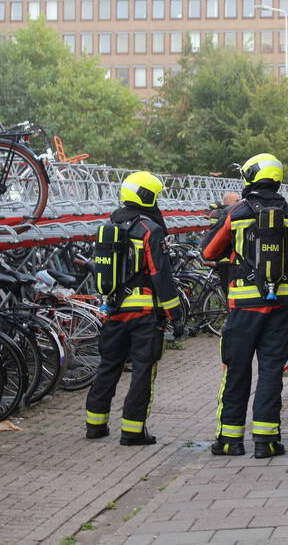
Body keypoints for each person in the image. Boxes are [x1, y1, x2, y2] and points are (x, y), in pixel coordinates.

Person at [201, 154, 288, 458]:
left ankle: (229, 440)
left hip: (244, 305)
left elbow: (208, 251)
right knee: (271, 371)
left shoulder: (237, 213)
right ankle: (266, 441)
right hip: (281, 305)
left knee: (236, 370)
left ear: (250, 179)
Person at [85, 171, 183, 446]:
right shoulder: (149, 229)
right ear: (147, 196)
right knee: (142, 370)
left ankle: (95, 424)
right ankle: (133, 430)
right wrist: (175, 314)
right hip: (143, 312)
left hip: (115, 308)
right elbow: (160, 273)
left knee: (109, 366)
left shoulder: (111, 225)